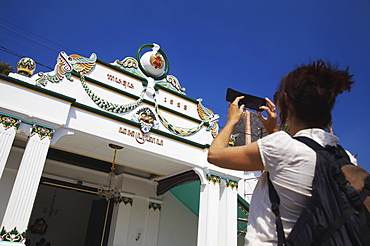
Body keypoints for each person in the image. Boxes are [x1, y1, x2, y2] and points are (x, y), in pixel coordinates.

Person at [207, 60, 355, 245]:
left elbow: (214, 154)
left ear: (286, 101)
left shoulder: (280, 147)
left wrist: (232, 120)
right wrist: (273, 131)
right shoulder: (346, 158)